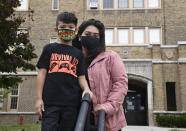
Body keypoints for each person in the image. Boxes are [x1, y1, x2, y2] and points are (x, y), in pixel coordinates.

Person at [35, 12, 92, 131]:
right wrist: (39, 98)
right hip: (50, 104)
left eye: (70, 27)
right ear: (56, 29)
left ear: (76, 30)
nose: (67, 30)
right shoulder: (49, 49)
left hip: (71, 104)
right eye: (63, 27)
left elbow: (81, 77)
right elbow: (42, 73)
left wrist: (86, 89)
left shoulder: (78, 54)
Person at [73, 19, 128, 131]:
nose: (91, 37)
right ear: (79, 36)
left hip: (105, 120)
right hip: (75, 118)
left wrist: (107, 107)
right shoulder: (72, 59)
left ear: (100, 39)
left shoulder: (111, 57)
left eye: (95, 35)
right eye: (87, 34)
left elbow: (121, 84)